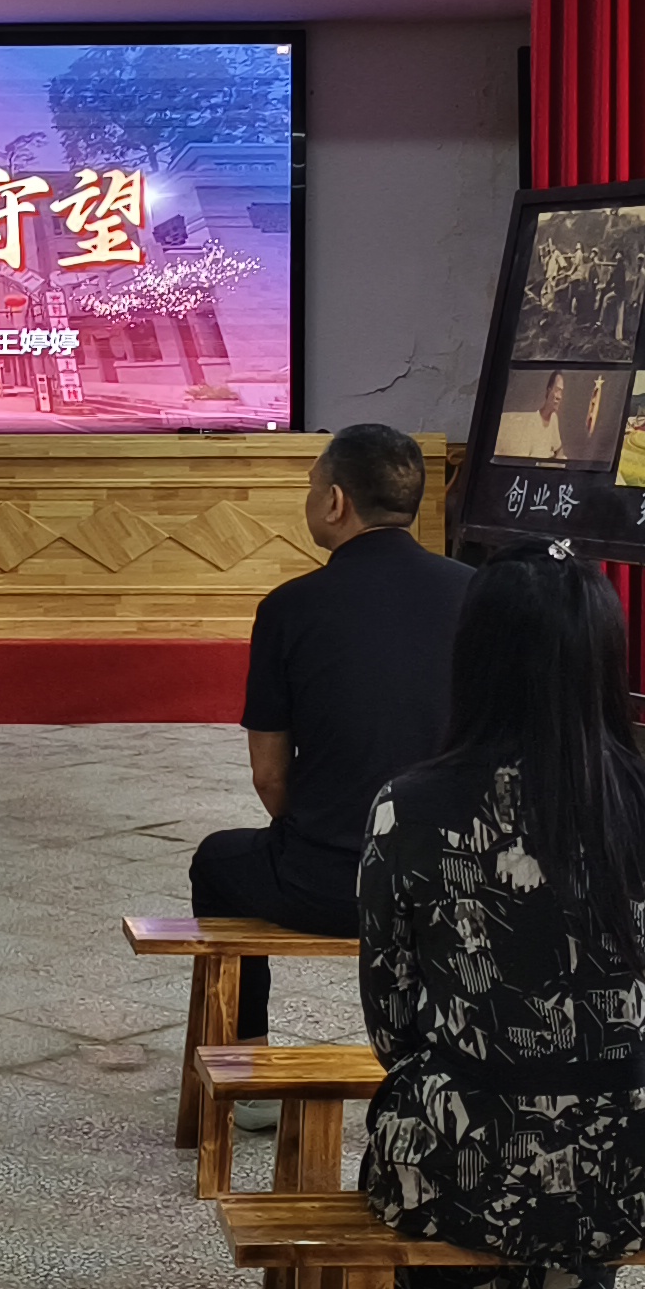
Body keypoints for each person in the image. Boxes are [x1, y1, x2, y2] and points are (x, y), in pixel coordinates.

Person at [356, 550, 645, 1289]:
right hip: (641, 1164)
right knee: (576, 1163)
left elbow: (392, 1024)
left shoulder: (409, 809)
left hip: (458, 1159)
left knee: (457, 1160)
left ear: (474, 660)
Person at [189, 424, 470, 1048]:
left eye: (313, 485)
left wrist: (320, 830)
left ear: (336, 502)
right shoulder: (477, 594)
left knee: (216, 862)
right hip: (458, 876)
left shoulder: (290, 607)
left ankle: (244, 1058)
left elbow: (269, 776)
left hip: (332, 883)